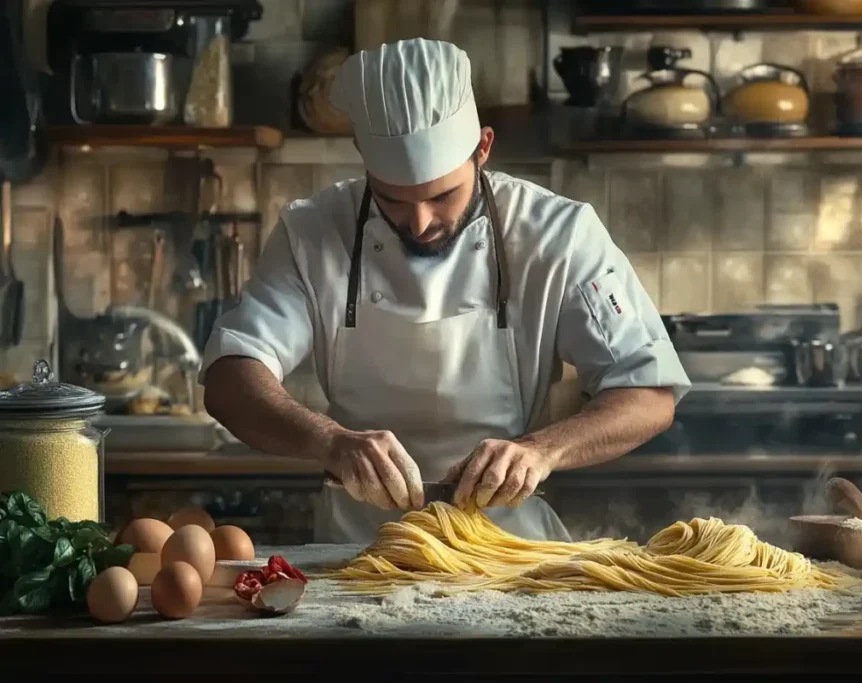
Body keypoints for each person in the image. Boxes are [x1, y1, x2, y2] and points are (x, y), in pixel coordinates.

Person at [199, 38, 691, 544]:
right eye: (392, 199)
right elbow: (231, 376)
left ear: (483, 147)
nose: (419, 221)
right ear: (363, 160)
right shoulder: (312, 231)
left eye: (442, 195)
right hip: (356, 556)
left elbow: (648, 392)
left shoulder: (558, 234)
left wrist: (541, 451)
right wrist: (330, 442)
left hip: (510, 553)